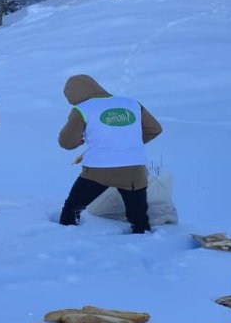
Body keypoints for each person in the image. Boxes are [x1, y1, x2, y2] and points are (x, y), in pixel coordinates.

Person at [57, 75, 162, 233]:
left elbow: (66, 142)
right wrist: (126, 143)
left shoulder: (82, 109)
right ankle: (143, 241)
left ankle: (64, 235)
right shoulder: (132, 103)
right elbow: (155, 129)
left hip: (98, 170)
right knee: (139, 217)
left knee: (73, 207)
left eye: (68, 96)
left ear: (75, 93)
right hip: (134, 171)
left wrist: (79, 141)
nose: (68, 101)